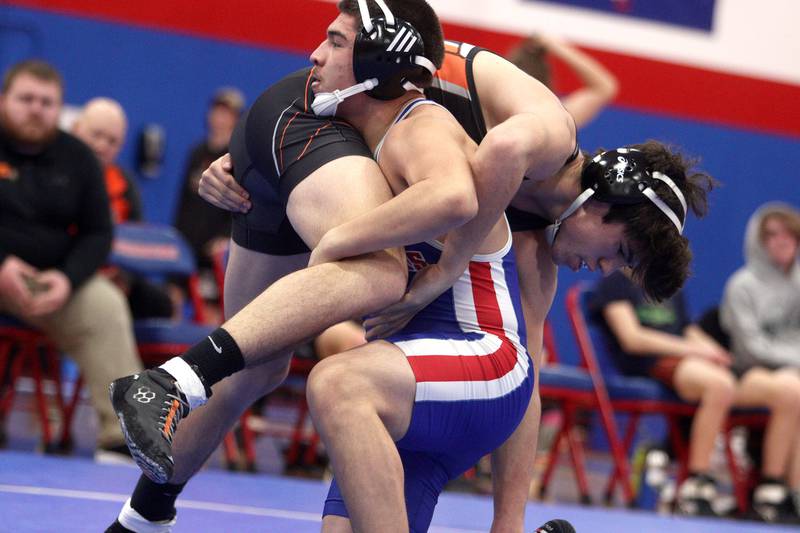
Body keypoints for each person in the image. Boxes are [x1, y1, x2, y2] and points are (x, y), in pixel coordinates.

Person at [108, 1, 711, 530]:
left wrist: (509, 521)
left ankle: (144, 515)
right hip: (327, 103)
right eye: (621, 253)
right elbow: (489, 153)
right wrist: (447, 263)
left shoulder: (533, 244)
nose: (603, 269)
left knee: (256, 368)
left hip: (335, 147)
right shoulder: (547, 137)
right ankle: (173, 385)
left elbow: (526, 371)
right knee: (378, 278)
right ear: (603, 203)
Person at [0, 60, 142, 461]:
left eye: (47, 102)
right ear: (4, 101)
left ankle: (121, 437)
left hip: (50, 282)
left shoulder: (77, 157)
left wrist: (67, 278)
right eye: (26, 99)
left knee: (105, 305)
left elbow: (99, 232)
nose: (36, 109)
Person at [589, 272, 735, 517]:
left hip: (682, 360)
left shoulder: (667, 282)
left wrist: (716, 353)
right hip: (645, 363)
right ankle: (696, 484)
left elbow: (687, 329)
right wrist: (693, 351)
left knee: (731, 382)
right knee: (718, 386)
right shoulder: (616, 282)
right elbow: (632, 339)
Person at [721, 202, 800, 523]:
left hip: (792, 371)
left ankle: (794, 492)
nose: (782, 242)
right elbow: (751, 347)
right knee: (791, 390)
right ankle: (770, 487)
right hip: (747, 373)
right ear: (759, 241)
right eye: (772, 235)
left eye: (789, 235)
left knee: (795, 386)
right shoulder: (742, 285)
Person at [72, 97, 174, 320]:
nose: (102, 146)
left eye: (112, 141)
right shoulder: (55, 174)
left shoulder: (124, 182)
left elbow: (137, 239)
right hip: (69, 273)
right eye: (96, 135)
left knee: (159, 303)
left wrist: (124, 278)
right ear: (76, 129)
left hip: (114, 275)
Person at [173, 87, 244, 299]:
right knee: (173, 297)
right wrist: (176, 238)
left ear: (236, 119)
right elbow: (183, 201)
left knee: (211, 309)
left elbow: (242, 203)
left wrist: (225, 238)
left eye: (228, 113)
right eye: (218, 111)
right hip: (187, 247)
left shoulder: (238, 157)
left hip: (213, 253)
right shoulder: (197, 153)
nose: (221, 118)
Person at [506, 33, 618, 129]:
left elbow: (604, 88)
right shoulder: (555, 118)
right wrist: (556, 46)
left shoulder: (491, 114)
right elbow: (604, 87)